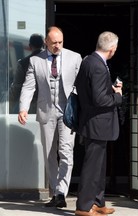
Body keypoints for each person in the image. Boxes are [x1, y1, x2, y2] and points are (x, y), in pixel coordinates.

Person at [18, 26, 82, 208]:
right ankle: (55, 192)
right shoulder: (35, 61)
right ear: (46, 42)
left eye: (60, 42)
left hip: (67, 112)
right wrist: (23, 108)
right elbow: (29, 86)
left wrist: (78, 102)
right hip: (46, 111)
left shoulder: (74, 57)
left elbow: (81, 83)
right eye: (54, 42)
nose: (57, 46)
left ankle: (61, 192)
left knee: (66, 152)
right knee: (49, 154)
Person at [74, 31, 122, 216]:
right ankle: (84, 207)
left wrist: (109, 89)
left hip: (93, 122)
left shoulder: (88, 61)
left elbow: (91, 91)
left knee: (99, 167)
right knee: (92, 167)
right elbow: (100, 99)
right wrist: (117, 96)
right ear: (112, 49)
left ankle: (98, 202)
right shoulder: (99, 66)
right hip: (97, 124)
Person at [10, 33, 44, 113]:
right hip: (48, 105)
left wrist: (8, 105)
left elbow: (16, 87)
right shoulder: (51, 61)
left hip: (31, 106)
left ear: (30, 46)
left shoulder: (23, 63)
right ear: (43, 45)